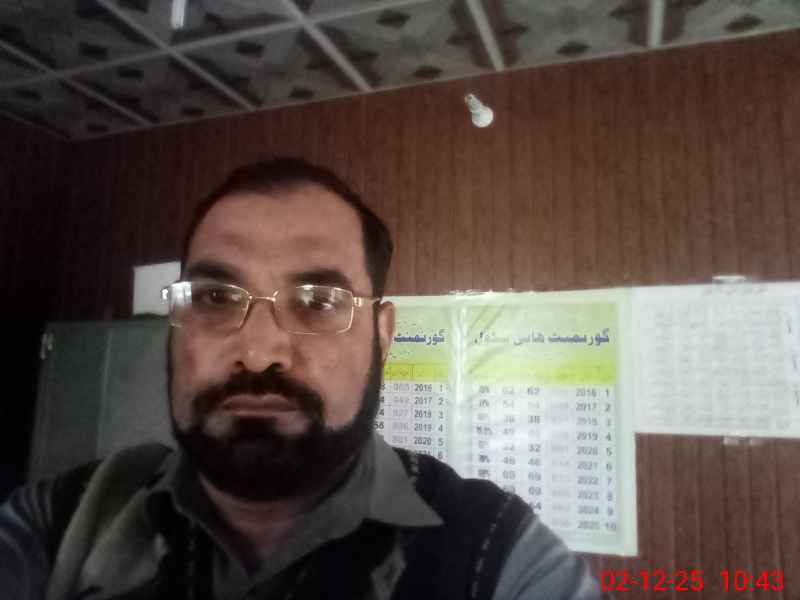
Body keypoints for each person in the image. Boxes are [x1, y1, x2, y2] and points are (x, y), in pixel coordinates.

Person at [0, 158, 602, 600]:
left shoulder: (498, 556)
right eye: (214, 297)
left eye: (318, 301)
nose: (260, 352)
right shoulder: (63, 519)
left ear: (383, 334)